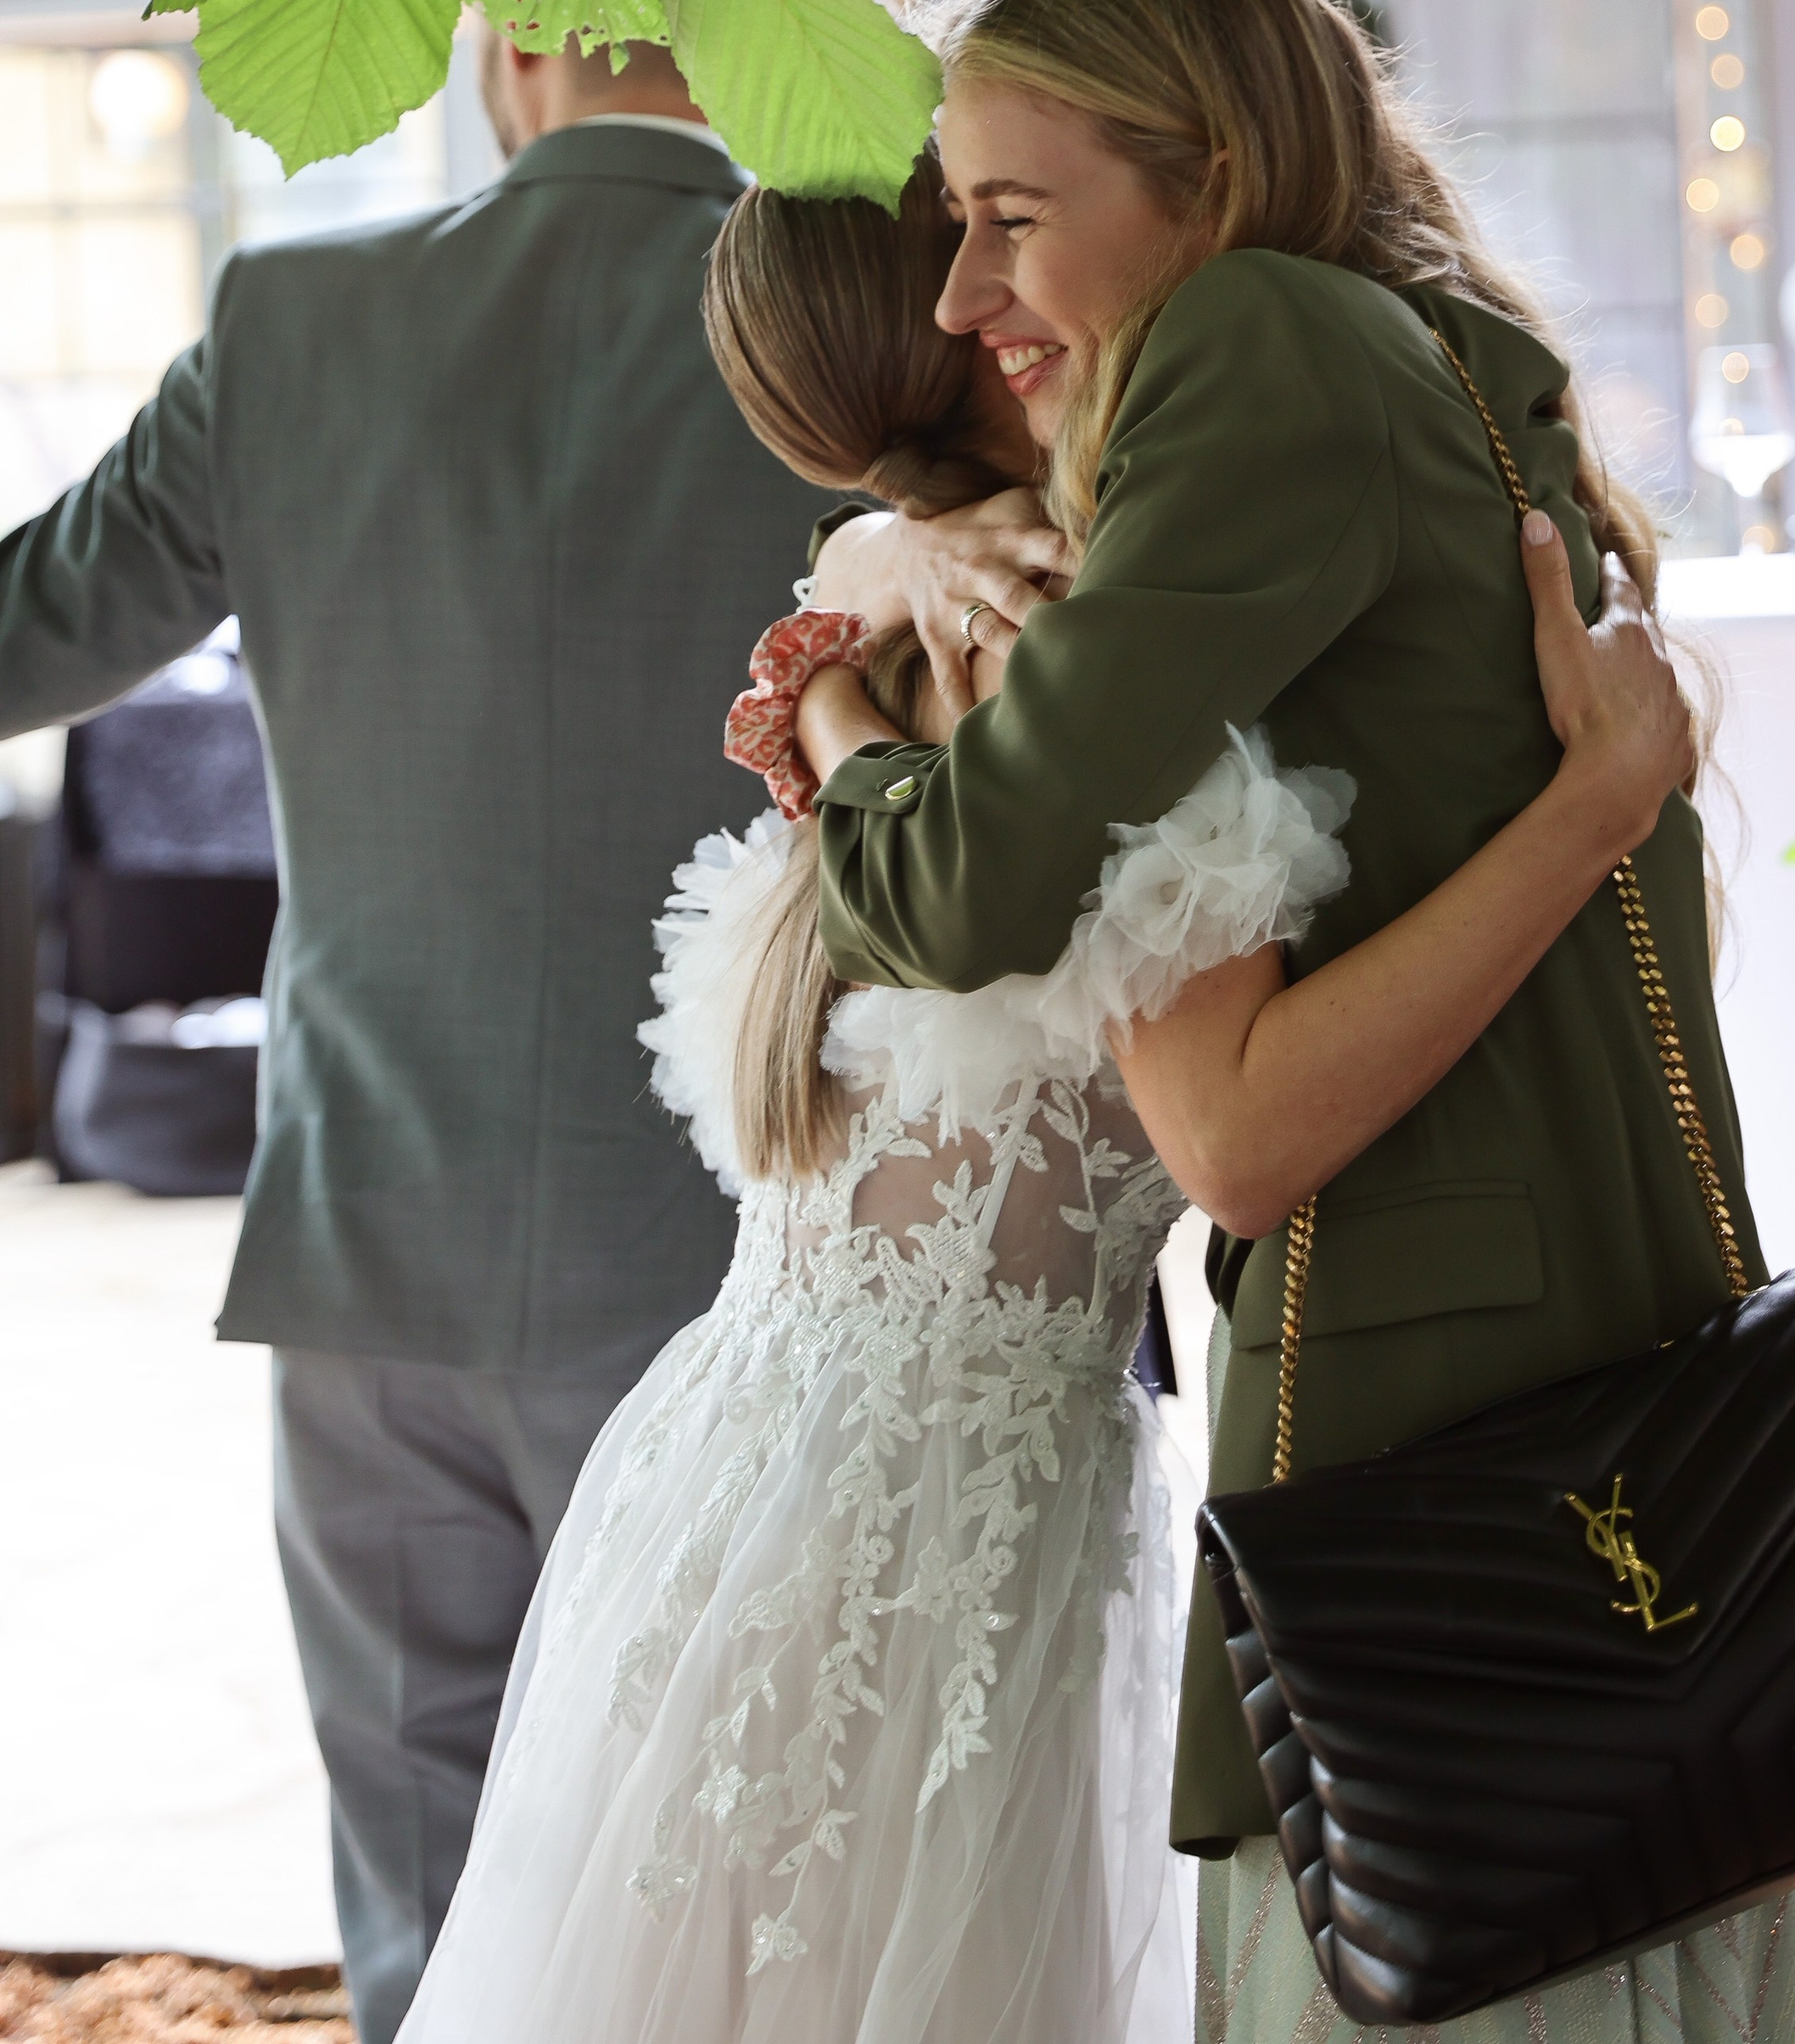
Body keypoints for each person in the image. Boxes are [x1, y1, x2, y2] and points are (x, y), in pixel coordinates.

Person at [400, 148, 1712, 2044]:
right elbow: (1238, 1135)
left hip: (741, 1482)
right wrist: (1591, 815)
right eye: (994, 235)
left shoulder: (876, 632)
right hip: (917, 1541)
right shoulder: (1069, 662)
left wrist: (862, 598)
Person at [799, 0, 1795, 2044]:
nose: (961, 289)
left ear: (1210, 179)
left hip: (1437, 1401)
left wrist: (830, 728)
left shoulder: (1260, 342)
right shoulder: (1451, 360)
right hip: (1591, 1333)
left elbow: (980, 884)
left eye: (1013, 214)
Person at [0, 29, 813, 2044]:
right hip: (739, 1227)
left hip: (372, 1210)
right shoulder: (860, 332)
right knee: (721, 1859)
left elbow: (30, 633)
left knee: (422, 1855)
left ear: (507, 49)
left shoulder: (298, 317)